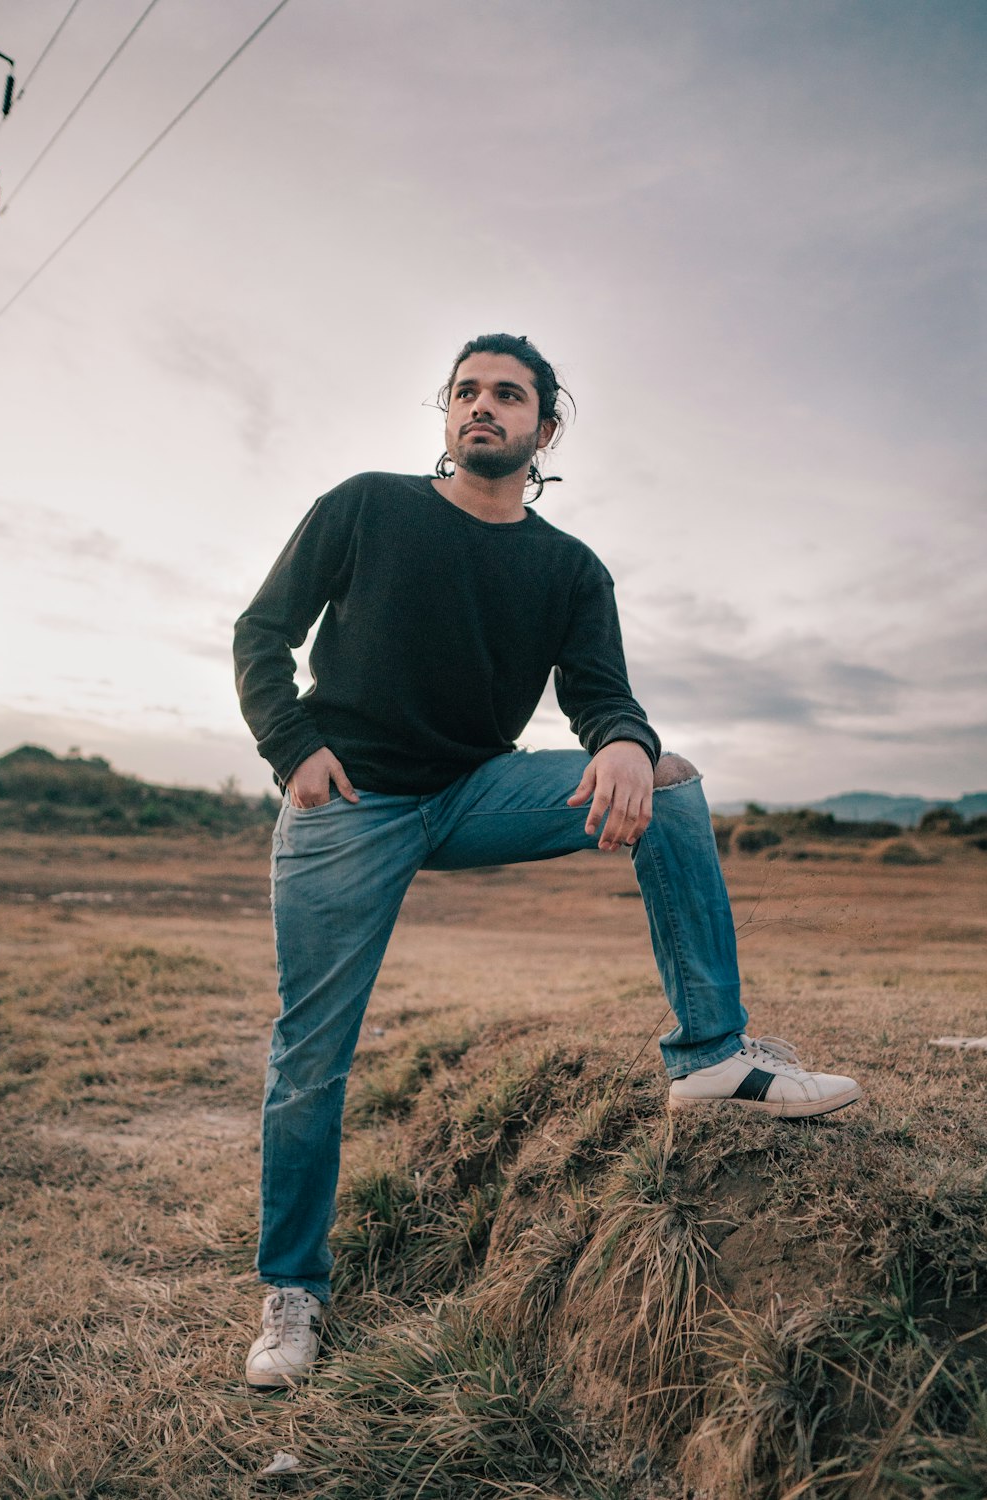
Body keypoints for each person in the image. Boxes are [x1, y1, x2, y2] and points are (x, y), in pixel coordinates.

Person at [233, 332, 861, 1387]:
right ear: (448, 416)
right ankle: (293, 1291)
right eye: (466, 392)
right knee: (310, 1060)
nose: (483, 407)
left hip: (473, 794)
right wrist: (290, 747)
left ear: (544, 429)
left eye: (508, 395)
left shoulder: (567, 568)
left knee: (669, 777)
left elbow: (602, 696)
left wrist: (623, 740)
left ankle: (710, 1052)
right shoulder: (366, 506)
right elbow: (262, 632)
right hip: (348, 807)